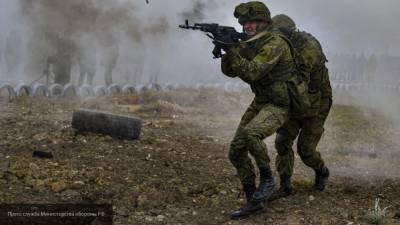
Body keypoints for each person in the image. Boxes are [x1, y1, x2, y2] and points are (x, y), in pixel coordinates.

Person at [220, 1, 300, 220]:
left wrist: (234, 50)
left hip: (280, 104)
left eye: (253, 22)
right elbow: (230, 72)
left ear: (265, 22)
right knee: (236, 151)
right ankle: (252, 200)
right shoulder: (251, 42)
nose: (248, 26)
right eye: (244, 22)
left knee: (251, 134)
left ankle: (267, 180)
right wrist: (226, 48)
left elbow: (252, 72)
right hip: (262, 101)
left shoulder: (275, 43)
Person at [271, 14, 332, 200]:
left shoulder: (308, 47)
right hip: (294, 100)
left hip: (316, 104)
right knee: (282, 141)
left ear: (288, 33)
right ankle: (285, 184)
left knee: (305, 150)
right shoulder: (283, 45)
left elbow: (297, 78)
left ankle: (321, 170)